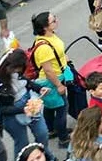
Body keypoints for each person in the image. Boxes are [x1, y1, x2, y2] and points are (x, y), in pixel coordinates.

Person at [29, 13, 71, 148]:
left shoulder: (49, 36)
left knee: (49, 107)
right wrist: (58, 85)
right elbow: (48, 71)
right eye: (53, 21)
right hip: (52, 81)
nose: (56, 21)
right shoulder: (44, 47)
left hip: (55, 76)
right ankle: (63, 138)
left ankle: (51, 130)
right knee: (61, 108)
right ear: (45, 27)